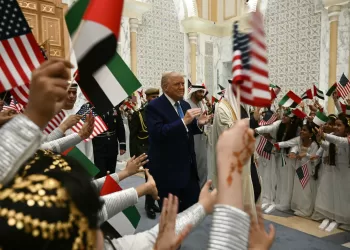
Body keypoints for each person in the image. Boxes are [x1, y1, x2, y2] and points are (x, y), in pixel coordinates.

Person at [146, 72, 211, 212]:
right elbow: (159, 133)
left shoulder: (185, 104)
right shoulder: (154, 107)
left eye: (183, 83)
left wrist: (199, 124)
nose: (182, 87)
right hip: (168, 173)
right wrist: (183, 121)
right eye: (177, 84)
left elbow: (189, 129)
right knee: (171, 217)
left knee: (191, 213)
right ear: (165, 87)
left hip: (189, 171)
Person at [211, 81, 261, 211]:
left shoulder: (242, 107)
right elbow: (228, 131)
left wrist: (253, 153)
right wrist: (252, 120)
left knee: (255, 189)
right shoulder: (222, 108)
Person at [129, 87, 160, 219]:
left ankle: (153, 201)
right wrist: (134, 156)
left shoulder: (160, 113)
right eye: (153, 97)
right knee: (150, 177)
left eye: (157, 96)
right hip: (145, 150)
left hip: (159, 149)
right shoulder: (139, 114)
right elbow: (133, 136)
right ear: (147, 98)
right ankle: (149, 205)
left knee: (158, 177)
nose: (156, 99)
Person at [92, 106, 126, 178]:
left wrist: (122, 144)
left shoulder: (114, 108)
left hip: (112, 145)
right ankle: (100, 189)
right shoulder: (90, 108)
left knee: (111, 172)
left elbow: (120, 126)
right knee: (100, 173)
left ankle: (111, 189)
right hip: (98, 145)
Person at [186, 83, 208, 188]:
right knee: (194, 166)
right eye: (200, 92)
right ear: (193, 92)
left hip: (202, 139)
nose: (202, 94)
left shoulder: (201, 104)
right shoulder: (187, 105)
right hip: (192, 139)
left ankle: (202, 191)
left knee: (203, 165)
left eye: (203, 92)